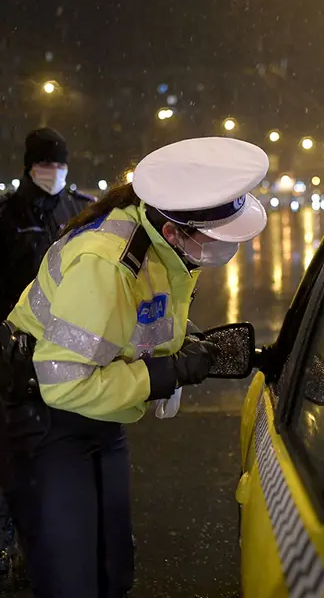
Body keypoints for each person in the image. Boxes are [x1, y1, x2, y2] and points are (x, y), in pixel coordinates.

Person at [0, 136, 270, 598]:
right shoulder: (105, 265)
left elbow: (141, 318)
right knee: (73, 581)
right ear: (174, 230)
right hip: (44, 424)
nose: (222, 254)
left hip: (99, 419)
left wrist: (189, 346)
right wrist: (166, 374)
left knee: (112, 572)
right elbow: (62, 382)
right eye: (216, 242)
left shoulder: (164, 247)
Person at [0, 127, 95, 320]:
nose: (54, 170)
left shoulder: (82, 209)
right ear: (30, 166)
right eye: (46, 163)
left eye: (60, 164)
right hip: (18, 321)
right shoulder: (7, 212)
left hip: (70, 320)